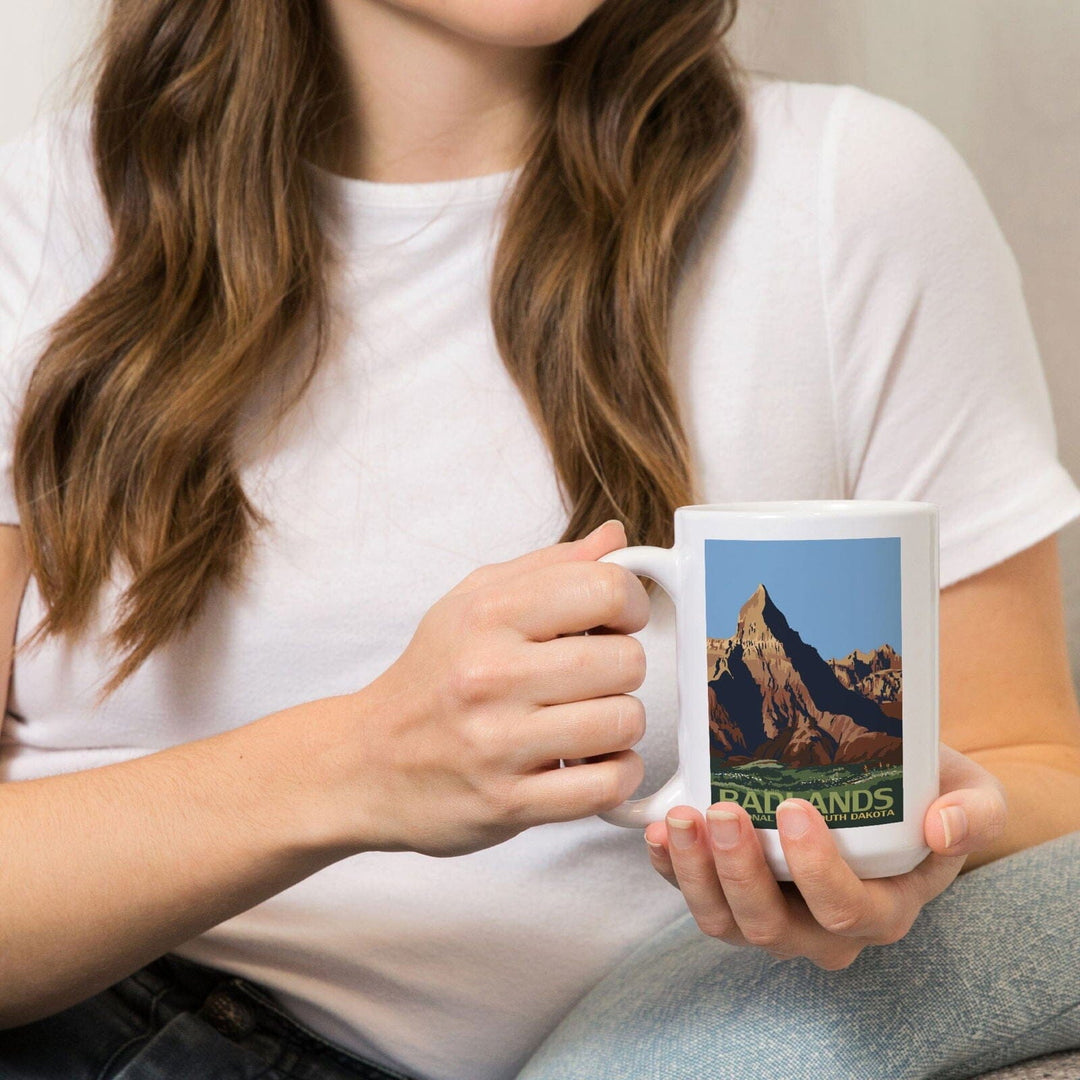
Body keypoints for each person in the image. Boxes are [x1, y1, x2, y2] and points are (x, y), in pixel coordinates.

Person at [0, 1, 1077, 1078]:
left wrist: (926, 850)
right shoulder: (39, 220)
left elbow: (1034, 768)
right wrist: (359, 763)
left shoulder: (853, 197)